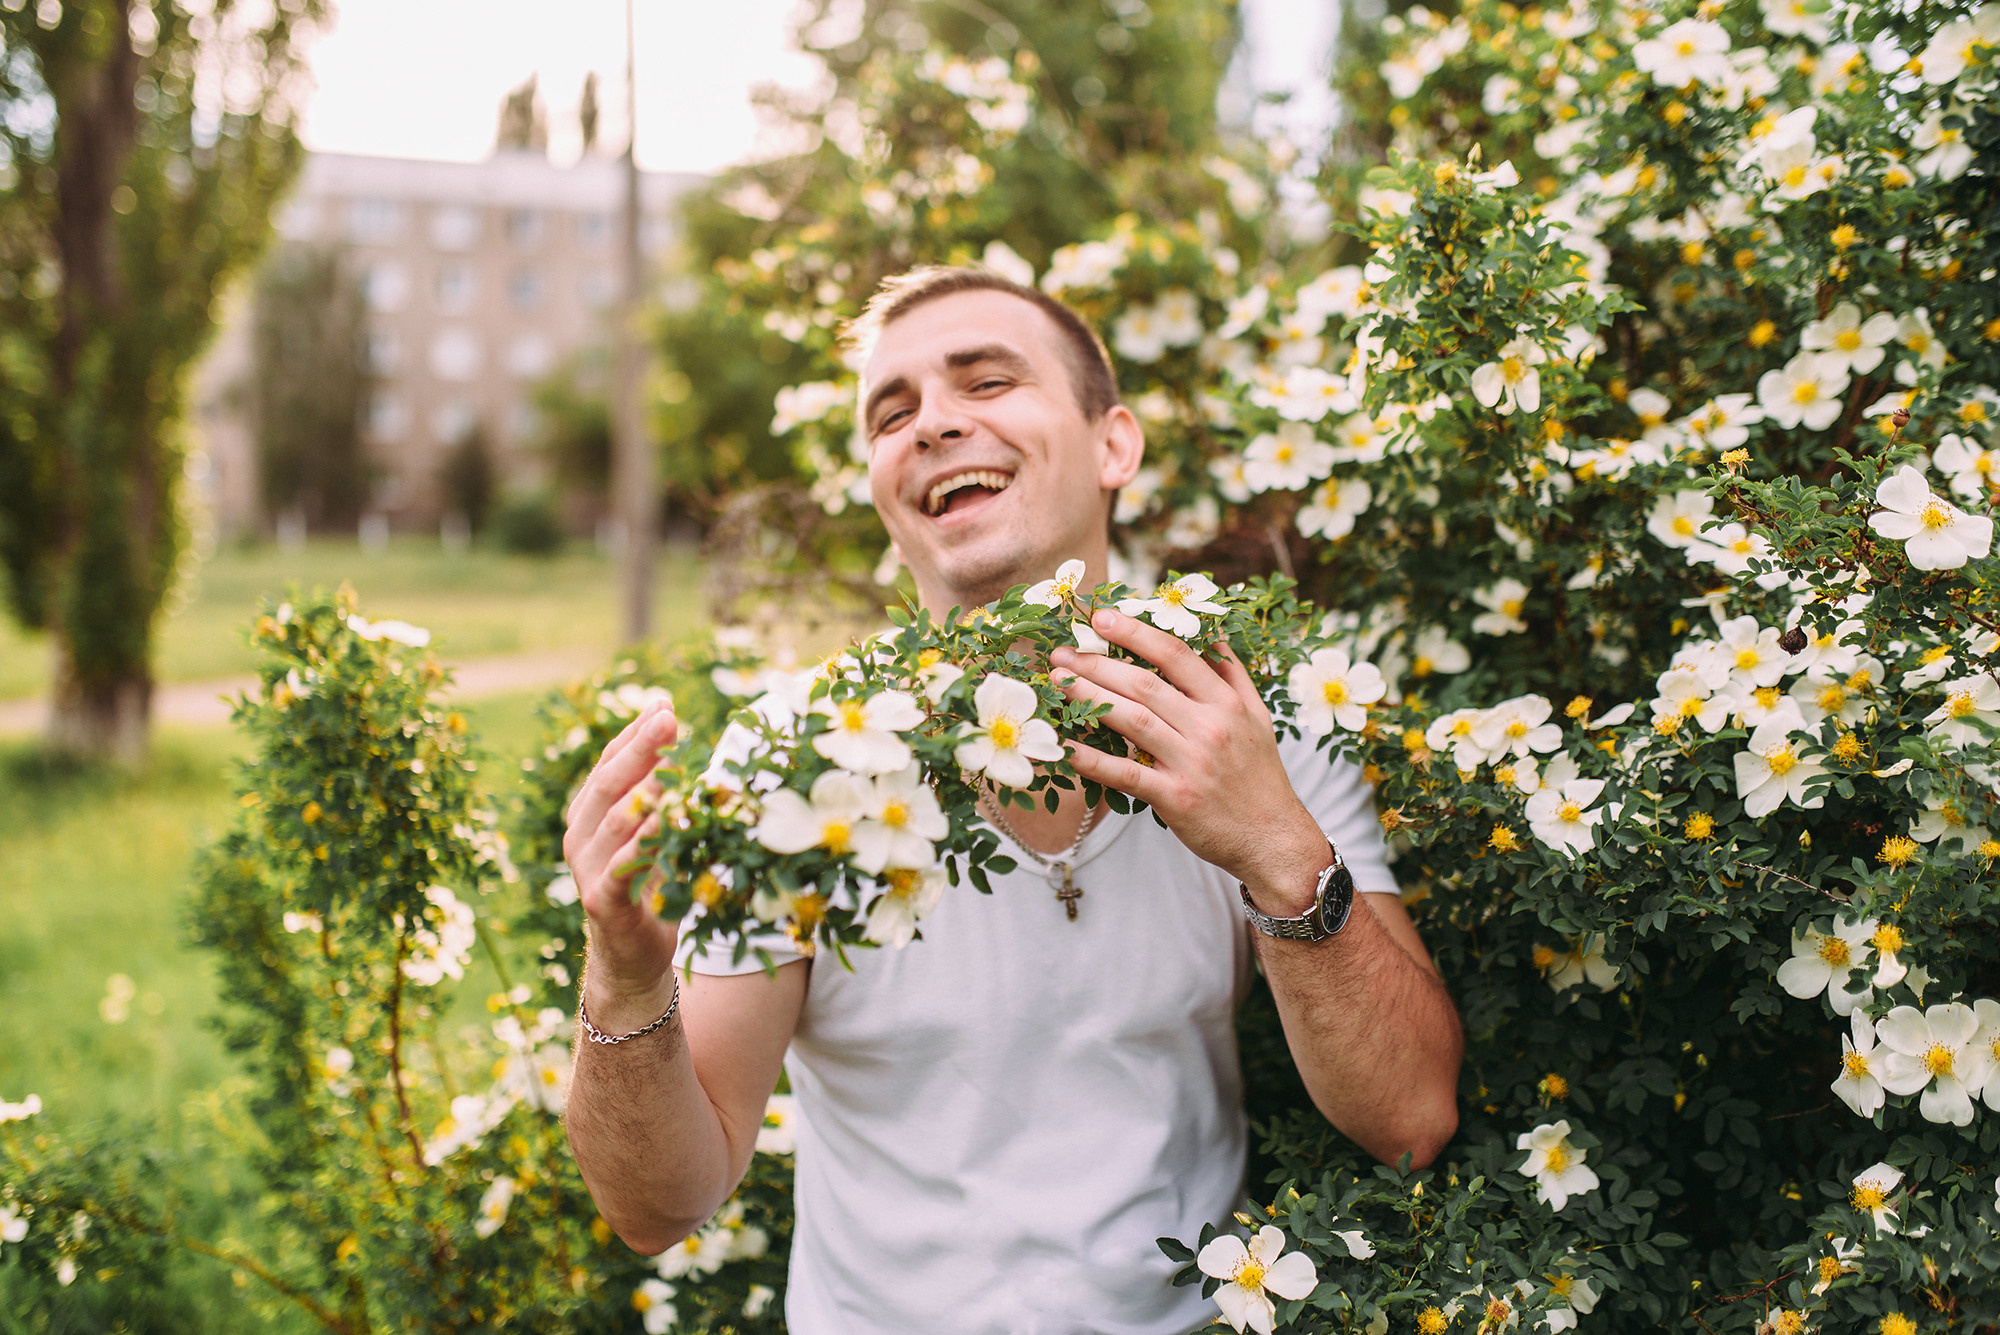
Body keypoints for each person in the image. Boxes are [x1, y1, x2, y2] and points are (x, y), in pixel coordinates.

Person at [562, 267, 1463, 1334]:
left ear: (1112, 446)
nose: (933, 423)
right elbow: (657, 1206)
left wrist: (1271, 842)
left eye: (985, 381)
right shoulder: (790, 762)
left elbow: (1408, 1122)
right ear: (880, 488)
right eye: (890, 415)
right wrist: (624, 977)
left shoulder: (1252, 721)